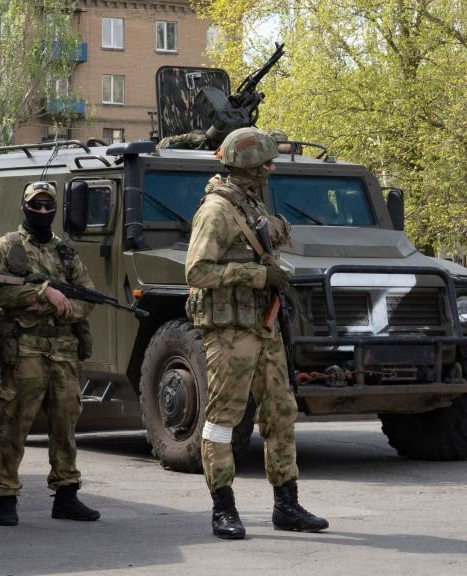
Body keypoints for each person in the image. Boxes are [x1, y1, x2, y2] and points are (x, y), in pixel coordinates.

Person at [185, 127, 328, 540]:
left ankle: (286, 504)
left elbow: (273, 235)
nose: (270, 169)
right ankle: (223, 508)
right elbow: (196, 271)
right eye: (264, 162)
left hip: (263, 326)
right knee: (223, 420)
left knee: (281, 412)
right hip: (229, 330)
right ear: (246, 166)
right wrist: (256, 273)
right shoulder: (215, 211)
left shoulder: (248, 205)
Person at [0, 181, 100, 526]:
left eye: (49, 206)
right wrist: (43, 295)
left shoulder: (66, 252)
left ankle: (66, 495)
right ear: (26, 207)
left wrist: (65, 308)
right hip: (25, 348)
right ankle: (6, 497)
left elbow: (88, 298)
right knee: (14, 423)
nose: (44, 212)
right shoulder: (7, 247)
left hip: (63, 350)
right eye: (37, 206)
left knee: (65, 423)